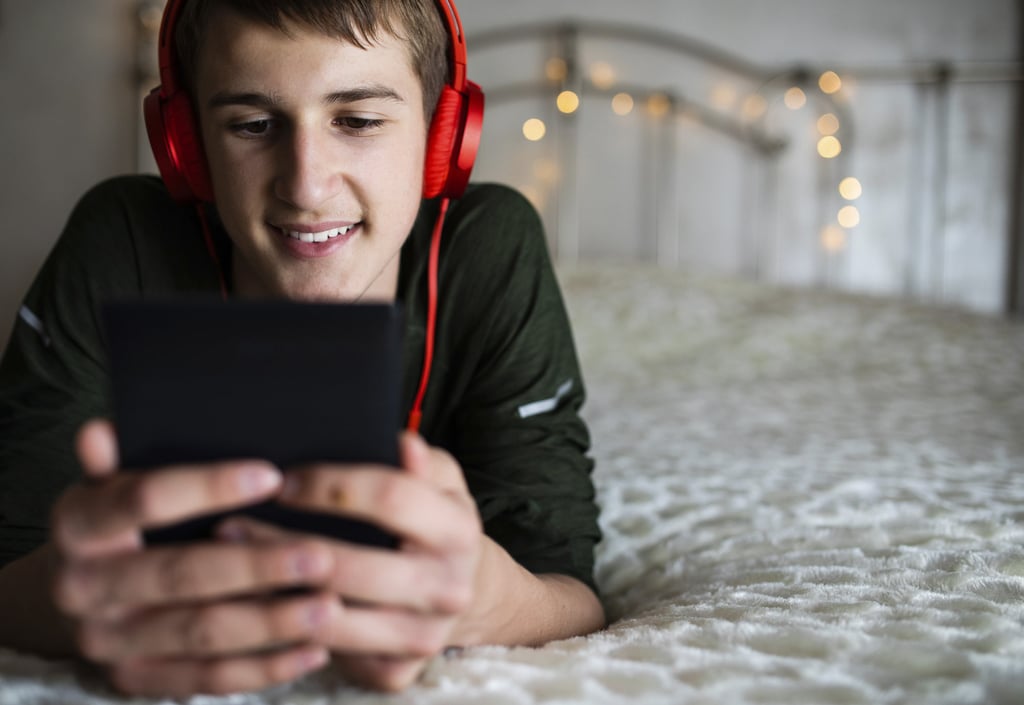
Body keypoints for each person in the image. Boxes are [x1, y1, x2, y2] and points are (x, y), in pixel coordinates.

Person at [0, 0, 604, 697]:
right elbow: (11, 564)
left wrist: (487, 601)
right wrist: (69, 597)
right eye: (253, 125)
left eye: (358, 120)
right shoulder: (121, 242)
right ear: (187, 147)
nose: (305, 185)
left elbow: (571, 590)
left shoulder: (490, 247)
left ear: (444, 136)